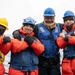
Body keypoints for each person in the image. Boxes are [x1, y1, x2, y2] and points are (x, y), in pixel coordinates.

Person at [34, 7, 62, 75]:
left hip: (55, 62)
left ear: (54, 17)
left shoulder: (60, 26)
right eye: (47, 18)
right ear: (43, 17)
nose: (49, 20)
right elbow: (26, 30)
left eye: (51, 18)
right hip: (42, 62)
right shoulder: (37, 27)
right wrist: (16, 32)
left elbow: (71, 26)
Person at [57, 10, 75, 75]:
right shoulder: (62, 31)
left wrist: (66, 37)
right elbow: (60, 44)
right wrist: (72, 36)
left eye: (70, 19)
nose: (68, 21)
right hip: (66, 61)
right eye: (66, 20)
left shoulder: (63, 34)